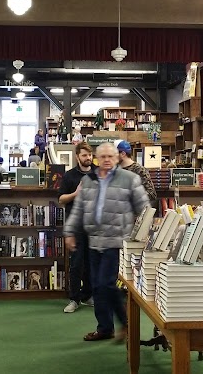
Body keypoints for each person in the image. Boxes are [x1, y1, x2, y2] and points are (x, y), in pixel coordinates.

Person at [64, 143, 149, 342]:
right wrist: (69, 232)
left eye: (111, 156)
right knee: (97, 287)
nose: (107, 160)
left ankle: (125, 322)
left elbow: (144, 208)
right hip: (94, 241)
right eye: (103, 157)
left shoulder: (129, 179)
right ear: (97, 158)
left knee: (105, 283)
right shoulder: (88, 181)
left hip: (117, 241)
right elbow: (78, 210)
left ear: (117, 157)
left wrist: (142, 236)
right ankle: (105, 328)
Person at [58, 142, 94, 313]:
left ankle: (87, 295)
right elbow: (61, 199)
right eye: (84, 155)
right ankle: (74, 299)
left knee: (91, 263)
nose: (88, 158)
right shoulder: (70, 176)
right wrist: (76, 193)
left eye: (90, 155)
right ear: (77, 156)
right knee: (76, 264)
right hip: (76, 225)